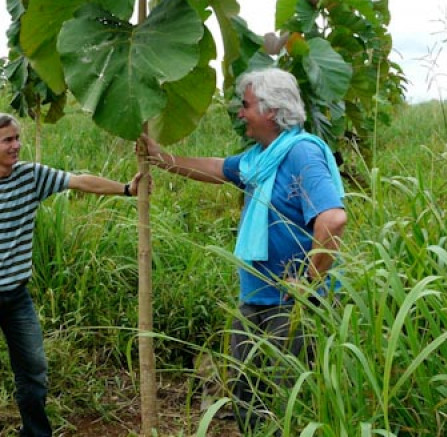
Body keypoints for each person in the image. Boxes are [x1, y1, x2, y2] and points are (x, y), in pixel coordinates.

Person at [141, 68, 346, 432]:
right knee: (247, 393)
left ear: (271, 110)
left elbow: (332, 220)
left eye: (246, 105)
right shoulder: (260, 158)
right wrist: (162, 159)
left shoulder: (301, 153)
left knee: (289, 402)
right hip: (255, 296)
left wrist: (309, 284)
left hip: (292, 303)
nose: (240, 113)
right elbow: (218, 169)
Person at [0, 111, 141, 437]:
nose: (16, 145)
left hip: (17, 297)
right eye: (8, 140)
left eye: (17, 138)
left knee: (33, 370)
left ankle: (36, 432)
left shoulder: (32, 176)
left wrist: (125, 189)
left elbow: (79, 181)